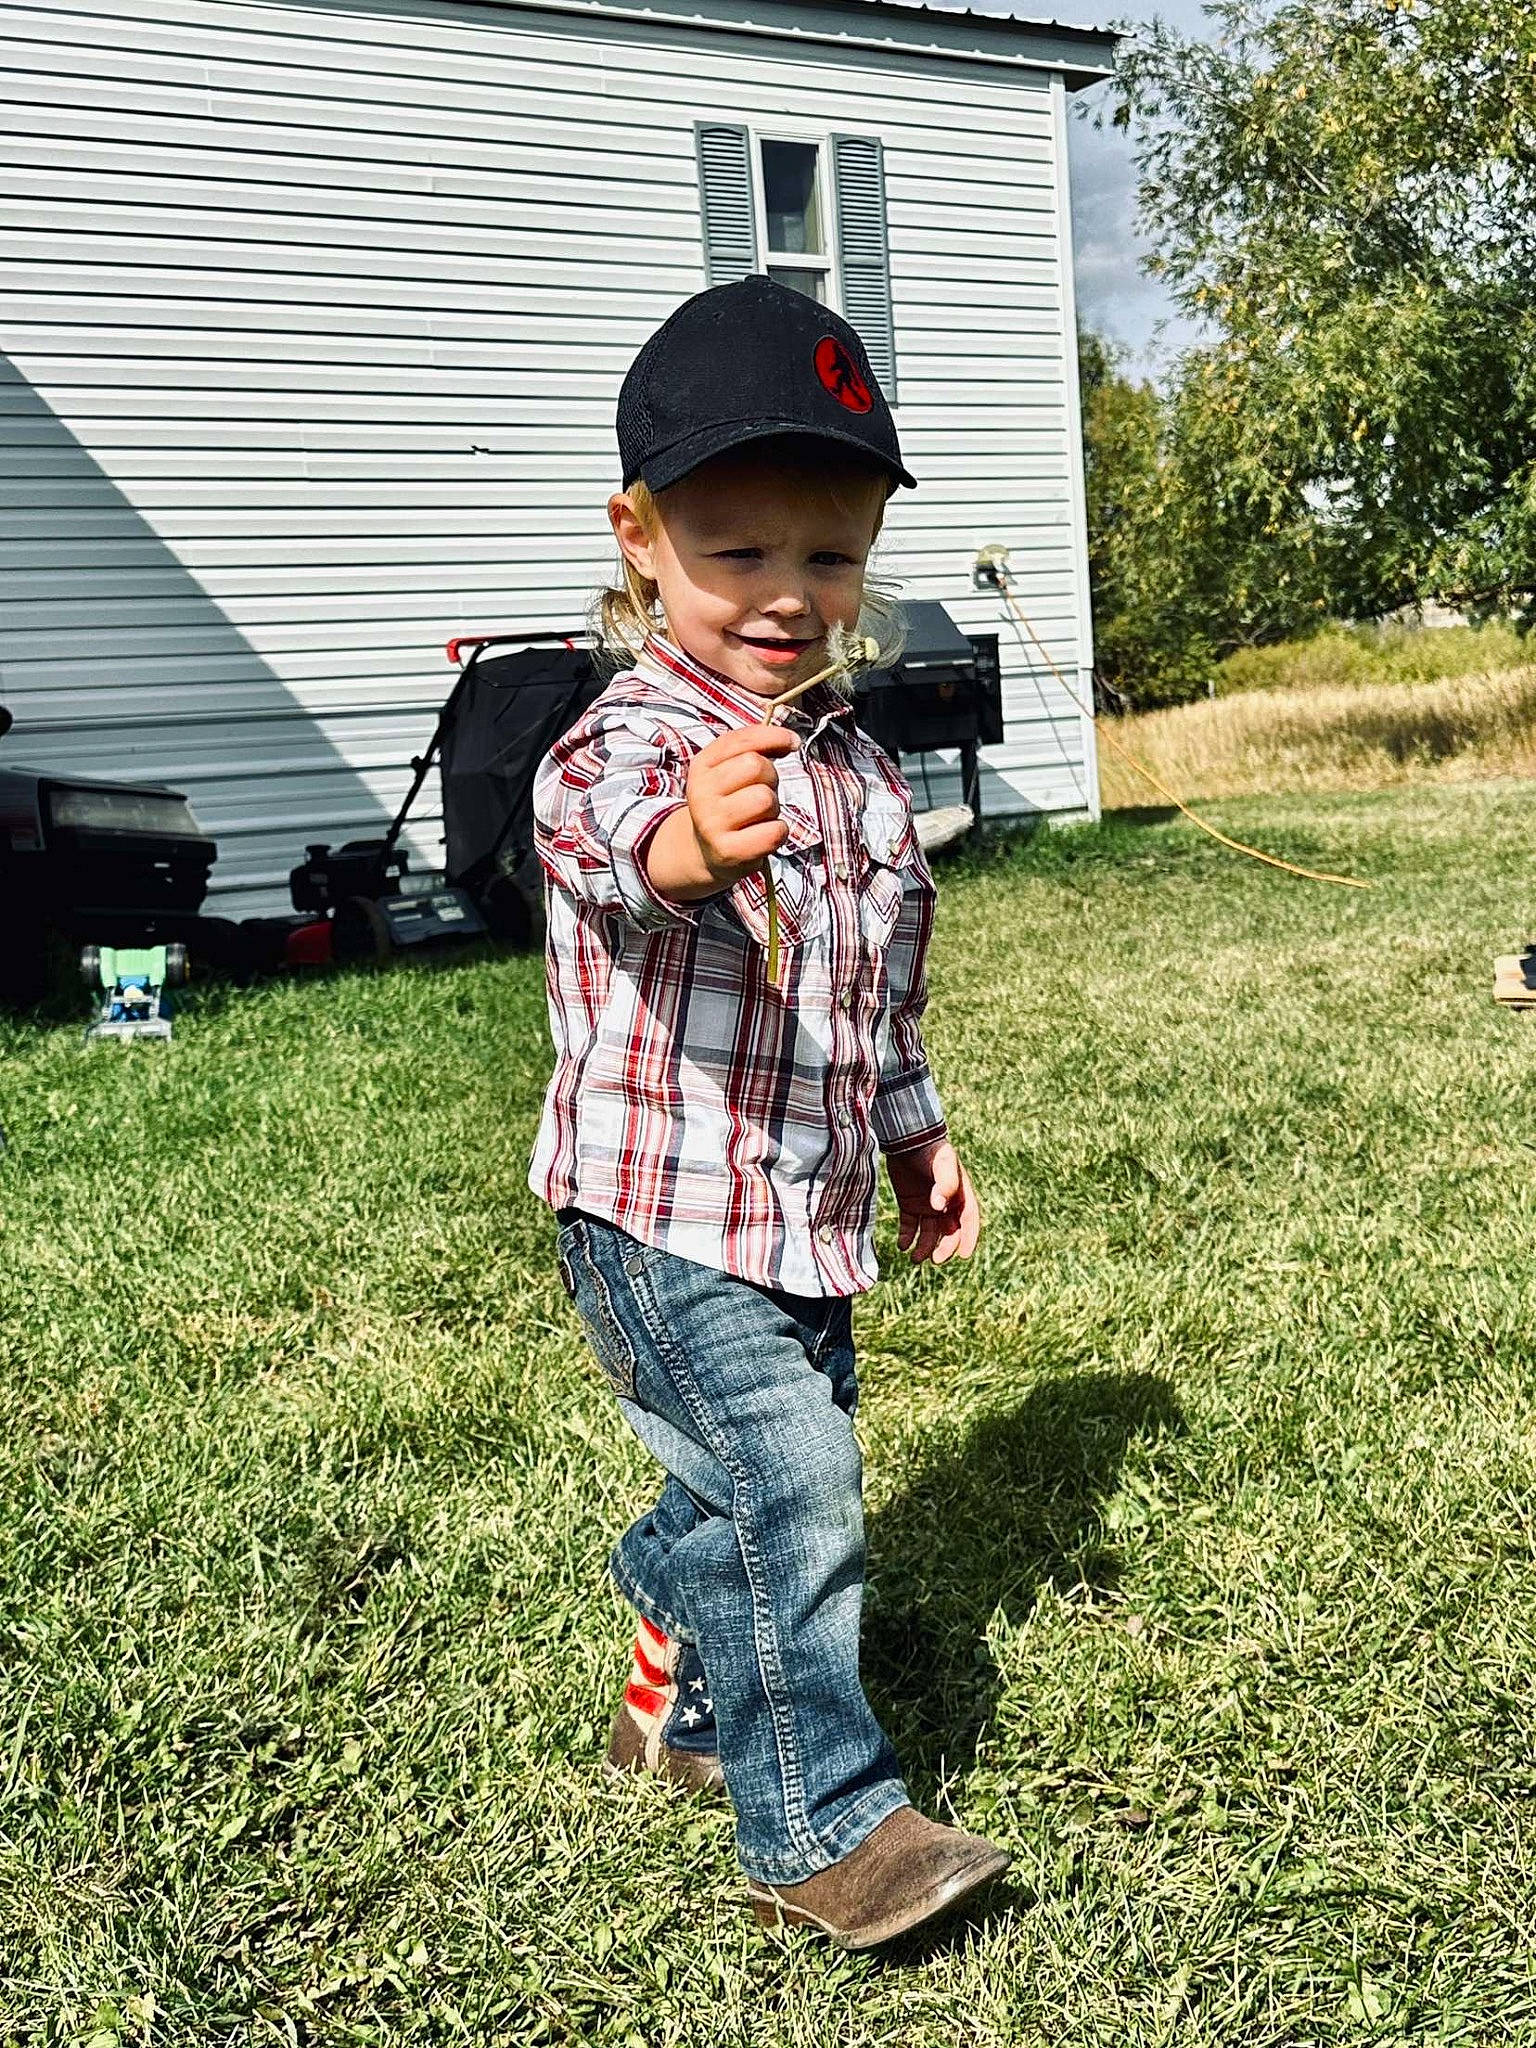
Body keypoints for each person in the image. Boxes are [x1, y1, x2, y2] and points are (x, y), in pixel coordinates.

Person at [530, 276, 1007, 1949]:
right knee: (794, 1485)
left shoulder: (859, 764)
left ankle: (673, 1659)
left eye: (829, 555)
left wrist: (914, 1130)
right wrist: (690, 847)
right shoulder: (627, 743)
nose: (789, 597)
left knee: (731, 1491)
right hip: (659, 1218)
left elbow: (870, 988)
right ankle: (825, 1825)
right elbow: (608, 858)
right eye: (740, 553)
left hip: (807, 1210)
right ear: (642, 537)